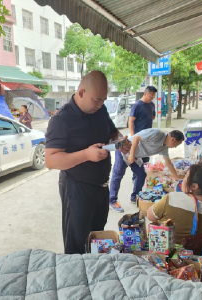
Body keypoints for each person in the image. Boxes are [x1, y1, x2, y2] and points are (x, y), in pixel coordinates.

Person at [45, 71, 130, 254]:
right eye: (96, 100)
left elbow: (113, 133)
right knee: (77, 244)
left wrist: (121, 141)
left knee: (97, 238)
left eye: (103, 100)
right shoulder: (61, 120)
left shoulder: (100, 110)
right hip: (76, 188)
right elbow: (51, 160)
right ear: (81, 92)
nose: (100, 105)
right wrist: (86, 155)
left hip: (101, 186)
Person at [147, 164, 202, 244]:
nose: (183, 180)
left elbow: (150, 216)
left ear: (194, 186)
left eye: (185, 176)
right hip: (197, 254)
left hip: (165, 251)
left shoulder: (171, 199)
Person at [109, 129, 184, 213]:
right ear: (172, 139)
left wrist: (176, 177)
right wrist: (132, 155)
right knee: (118, 175)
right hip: (124, 150)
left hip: (135, 157)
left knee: (141, 174)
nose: (175, 147)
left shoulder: (164, 148)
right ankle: (112, 201)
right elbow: (136, 138)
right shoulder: (157, 134)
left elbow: (168, 163)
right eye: (176, 144)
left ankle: (135, 196)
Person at [129, 86, 157, 185]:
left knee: (146, 159)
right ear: (145, 94)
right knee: (137, 160)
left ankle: (144, 178)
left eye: (153, 96)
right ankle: (135, 179)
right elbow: (131, 121)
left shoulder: (152, 105)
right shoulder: (137, 105)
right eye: (150, 96)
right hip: (138, 138)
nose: (152, 98)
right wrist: (133, 136)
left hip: (148, 138)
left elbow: (153, 116)